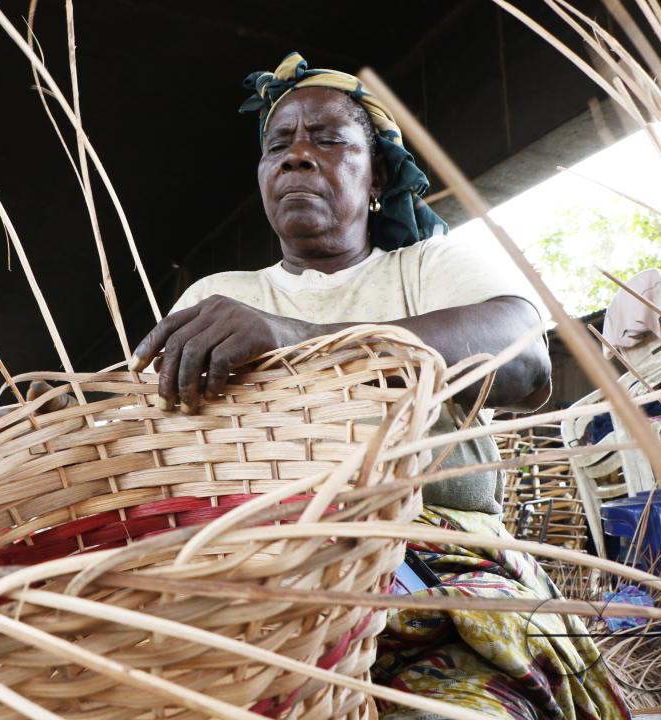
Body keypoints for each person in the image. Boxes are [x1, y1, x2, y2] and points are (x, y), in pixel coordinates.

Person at [128, 53, 630, 720]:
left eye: (328, 139)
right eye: (279, 144)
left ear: (378, 179)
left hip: (436, 582)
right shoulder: (220, 297)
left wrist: (290, 336)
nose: (297, 156)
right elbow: (154, 442)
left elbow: (524, 356)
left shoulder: (428, 267)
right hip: (264, 591)